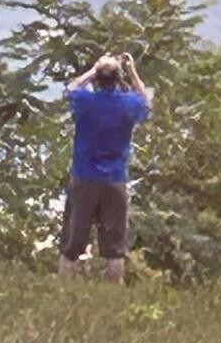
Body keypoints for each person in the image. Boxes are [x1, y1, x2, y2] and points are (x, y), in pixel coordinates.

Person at [57, 50, 151, 281]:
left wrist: (92, 70)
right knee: (114, 249)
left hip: (84, 177)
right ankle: (111, 297)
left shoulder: (86, 101)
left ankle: (63, 290)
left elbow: (70, 90)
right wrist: (131, 70)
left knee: (72, 243)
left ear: (98, 79)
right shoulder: (127, 104)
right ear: (118, 79)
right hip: (115, 179)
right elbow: (146, 100)